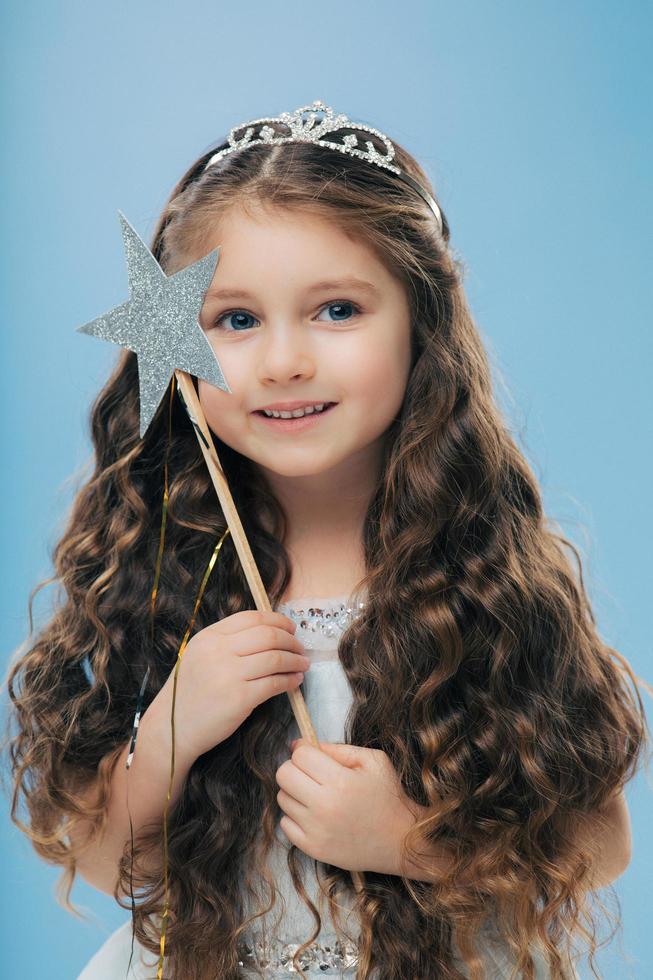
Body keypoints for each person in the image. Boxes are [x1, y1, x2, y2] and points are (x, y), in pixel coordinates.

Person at [6, 101, 649, 980]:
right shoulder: (160, 581)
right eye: (234, 320)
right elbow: (93, 857)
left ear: (420, 324)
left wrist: (413, 839)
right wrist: (169, 730)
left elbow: (597, 844)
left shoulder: (484, 579)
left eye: (336, 309)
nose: (281, 362)